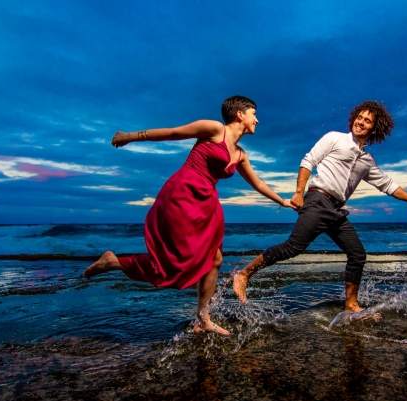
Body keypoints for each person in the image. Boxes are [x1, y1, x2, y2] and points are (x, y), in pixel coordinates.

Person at [83, 96, 293, 335]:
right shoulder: (214, 129)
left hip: (208, 204)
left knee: (214, 260)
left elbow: (258, 184)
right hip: (183, 193)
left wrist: (284, 201)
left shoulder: (241, 154)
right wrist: (131, 136)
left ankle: (203, 319)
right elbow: (173, 133)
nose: (257, 119)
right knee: (173, 264)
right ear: (240, 114)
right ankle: (114, 262)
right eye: (254, 113)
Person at [233, 100, 407, 315]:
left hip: (335, 210)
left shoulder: (367, 160)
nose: (361, 122)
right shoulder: (335, 138)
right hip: (318, 200)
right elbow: (308, 161)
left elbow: (387, 184)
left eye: (367, 121)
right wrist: (299, 192)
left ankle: (351, 305)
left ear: (375, 128)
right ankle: (244, 274)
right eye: (359, 117)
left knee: (357, 254)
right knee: (293, 247)